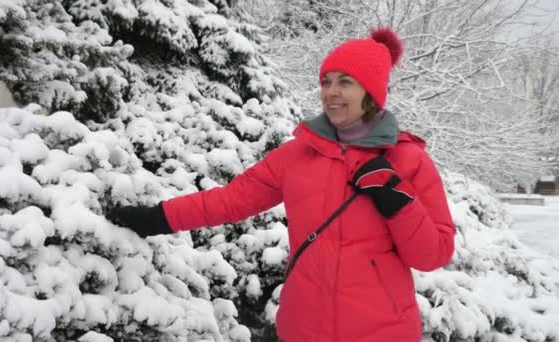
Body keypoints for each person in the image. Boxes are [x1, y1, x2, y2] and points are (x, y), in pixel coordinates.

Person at [106, 27, 455, 342]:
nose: (330, 92)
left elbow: (433, 254)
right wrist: (157, 217)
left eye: (345, 82)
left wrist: (396, 197)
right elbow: (231, 200)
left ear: (371, 93)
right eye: (326, 81)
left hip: (383, 332)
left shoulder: (408, 161)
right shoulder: (299, 155)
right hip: (303, 328)